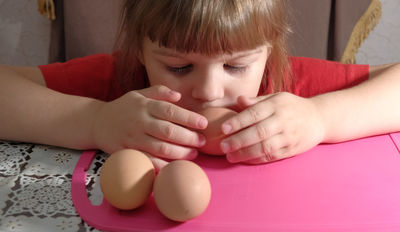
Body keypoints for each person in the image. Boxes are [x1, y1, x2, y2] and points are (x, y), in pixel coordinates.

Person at [0, 0, 399, 171]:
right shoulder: (123, 85)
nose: (208, 90)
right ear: (140, 51)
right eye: (179, 66)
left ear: (269, 51)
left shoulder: (285, 86)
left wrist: (320, 117)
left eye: (236, 65)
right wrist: (95, 120)